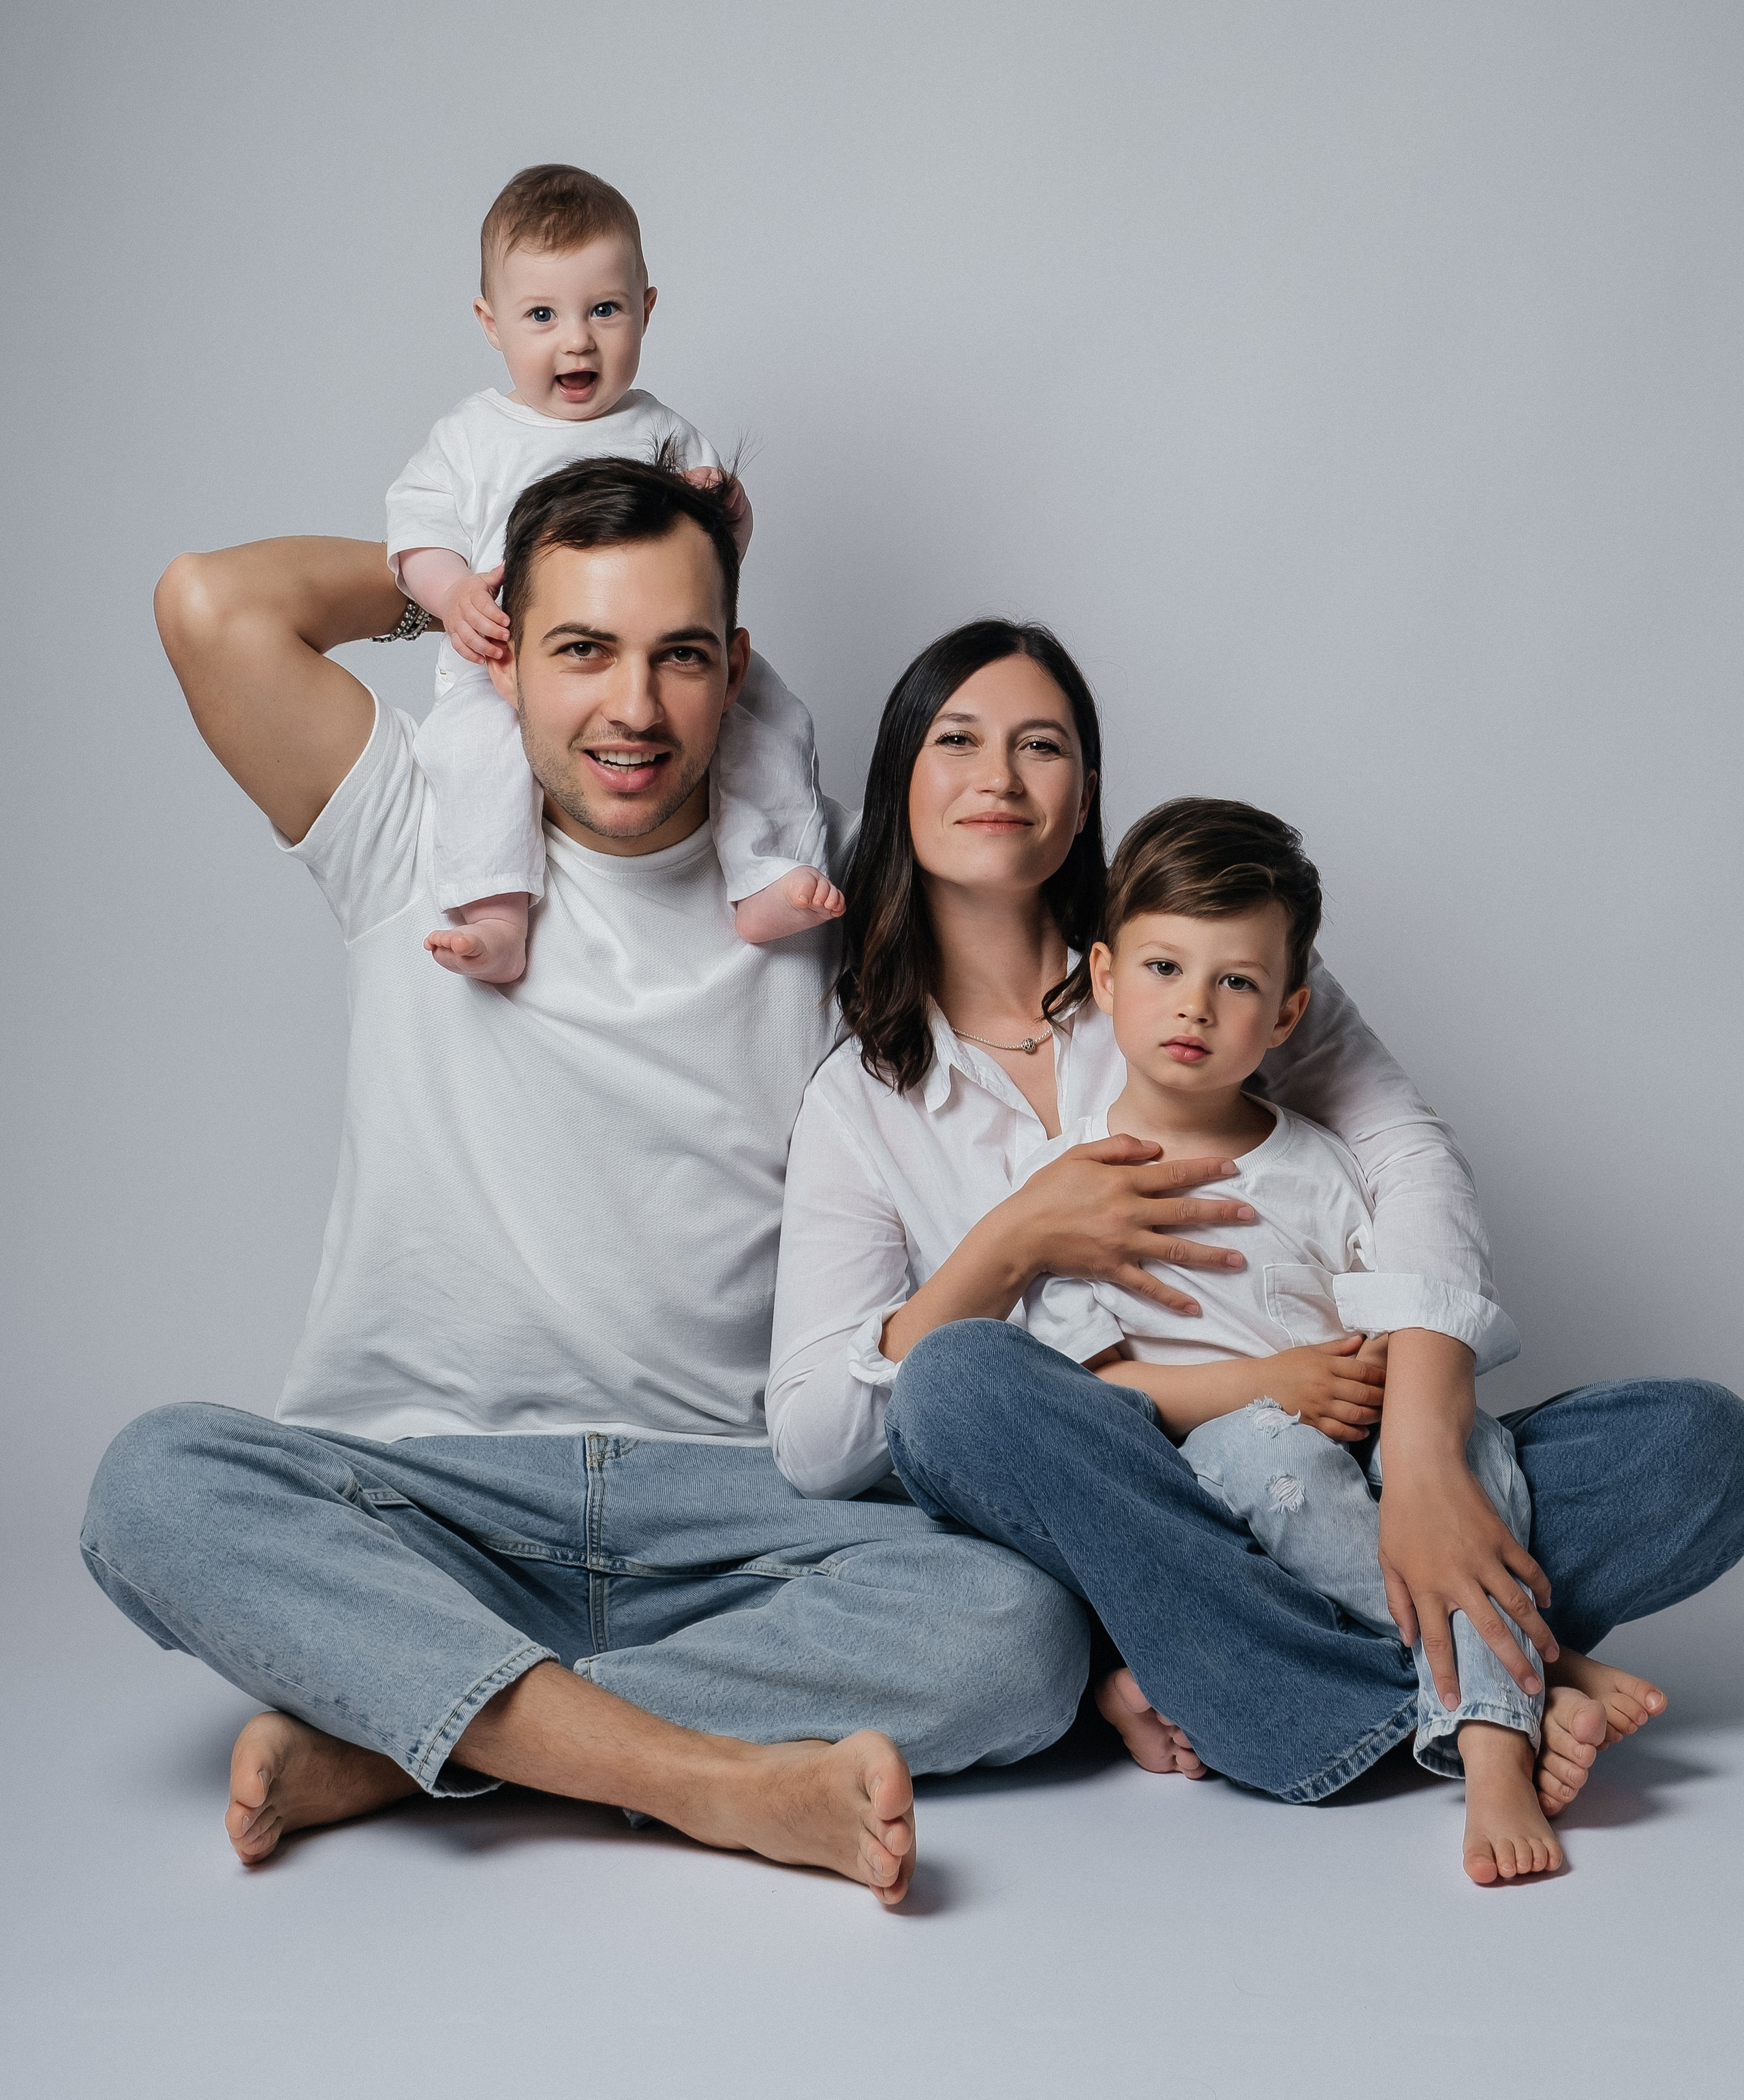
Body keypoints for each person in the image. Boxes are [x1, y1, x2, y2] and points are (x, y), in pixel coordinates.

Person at [80, 463, 1089, 1906]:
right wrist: (452, 576)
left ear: (734, 670)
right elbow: (212, 602)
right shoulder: (409, 830)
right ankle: (712, 1783)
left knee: (1020, 1629)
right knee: (151, 1484)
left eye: (679, 655)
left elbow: (1077, 943)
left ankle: (405, 1740)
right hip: (426, 1496)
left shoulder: (816, 896)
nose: (633, 707)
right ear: (501, 654)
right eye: (579, 649)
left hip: (733, 1511)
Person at [768, 619, 1744, 1873]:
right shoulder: (863, 1098)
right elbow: (819, 1442)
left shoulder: (1202, 957)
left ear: (1089, 793)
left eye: (1043, 746)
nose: (999, 778)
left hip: (1353, 1463)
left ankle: (1268, 1676)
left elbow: (1404, 1161)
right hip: (1135, 1504)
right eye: (956, 741)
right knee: (957, 1385)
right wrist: (1008, 1246)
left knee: (1695, 1445)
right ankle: (1497, 1684)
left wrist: (1428, 1456)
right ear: (900, 779)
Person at [1012, 793, 1663, 1884]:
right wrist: (1271, 1385)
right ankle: (1520, 1695)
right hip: (1207, 1482)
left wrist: (1396, 1407)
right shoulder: (1071, 1184)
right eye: (1166, 971)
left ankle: (1492, 1725)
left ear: (1287, 1014)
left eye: (1237, 983)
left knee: (1473, 1447)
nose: (1196, 1008)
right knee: (1270, 1455)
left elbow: (1394, 1315)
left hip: (1362, 1458)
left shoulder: (1321, 1162)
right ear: (1108, 978)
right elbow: (1101, 1387)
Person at [388, 162, 841, 982]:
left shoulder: (661, 430)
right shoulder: (471, 438)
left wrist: (725, 507)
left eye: (604, 309)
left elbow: (716, 559)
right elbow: (415, 530)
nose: (577, 339)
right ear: (491, 324)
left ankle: (764, 872)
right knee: (475, 762)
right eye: (541, 315)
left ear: (646, 309)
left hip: (657, 651)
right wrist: (450, 592)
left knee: (769, 721)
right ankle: (495, 915)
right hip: (509, 667)